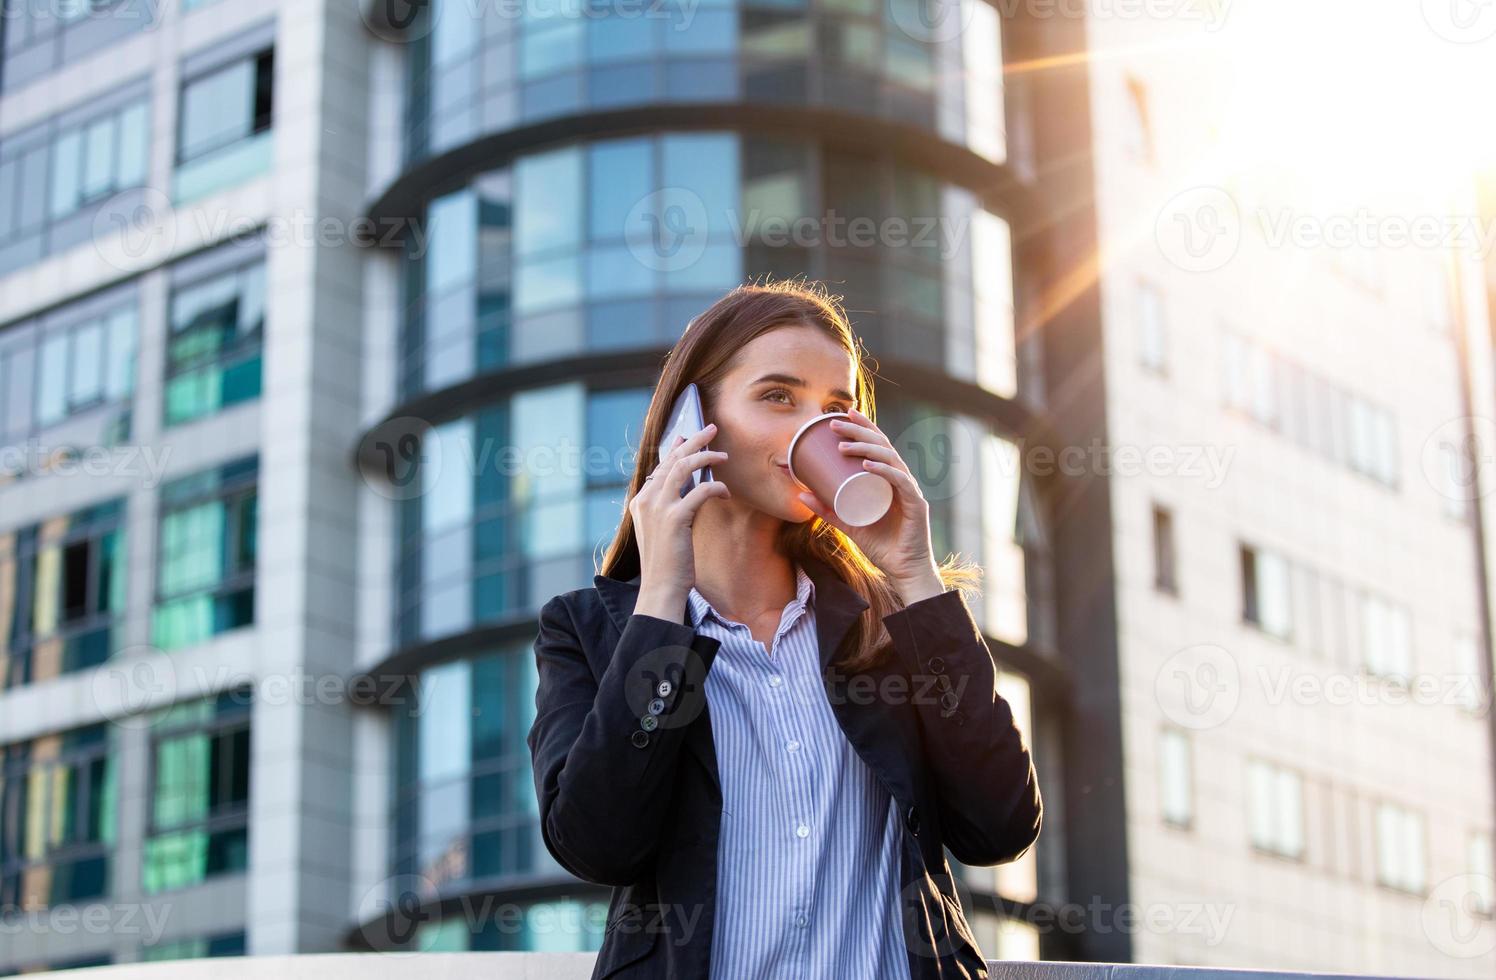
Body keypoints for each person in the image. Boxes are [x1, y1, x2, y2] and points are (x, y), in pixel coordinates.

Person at [526, 278, 1042, 980]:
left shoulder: (891, 622)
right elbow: (598, 843)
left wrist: (917, 577)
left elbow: (1001, 825)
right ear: (691, 420)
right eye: (778, 396)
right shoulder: (592, 631)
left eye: (838, 408)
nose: (818, 428)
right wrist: (663, 604)